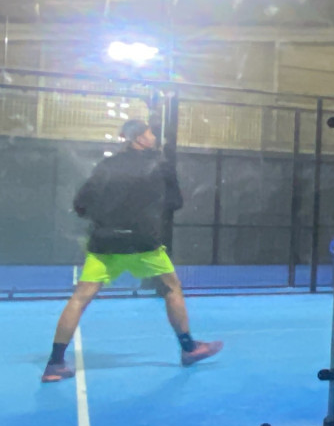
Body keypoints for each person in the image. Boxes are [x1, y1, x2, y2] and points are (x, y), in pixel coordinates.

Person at [43, 119, 222, 382]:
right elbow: (175, 202)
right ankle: (189, 348)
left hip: (105, 242)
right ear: (139, 138)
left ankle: (54, 364)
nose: (154, 137)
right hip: (143, 242)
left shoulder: (107, 165)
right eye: (150, 133)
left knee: (80, 297)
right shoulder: (160, 165)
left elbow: (81, 204)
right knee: (171, 288)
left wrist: (107, 219)